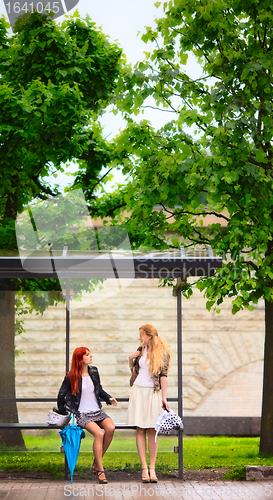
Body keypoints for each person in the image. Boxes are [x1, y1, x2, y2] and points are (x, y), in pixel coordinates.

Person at [57, 346, 117, 484]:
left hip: (98, 411)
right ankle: (100, 470)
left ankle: (96, 463)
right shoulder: (71, 376)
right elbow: (61, 395)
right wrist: (63, 411)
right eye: (88, 355)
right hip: (83, 414)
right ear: (80, 359)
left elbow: (99, 389)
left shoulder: (94, 371)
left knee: (110, 428)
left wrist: (108, 398)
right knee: (99, 434)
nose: (91, 356)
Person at [126, 324, 171, 483]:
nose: (139, 338)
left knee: (153, 430)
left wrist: (164, 398)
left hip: (153, 393)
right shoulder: (140, 349)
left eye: (141, 335)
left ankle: (152, 468)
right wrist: (130, 358)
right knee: (140, 429)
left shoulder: (162, 352)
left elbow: (163, 376)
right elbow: (134, 369)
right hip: (138, 391)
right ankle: (144, 469)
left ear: (149, 336)